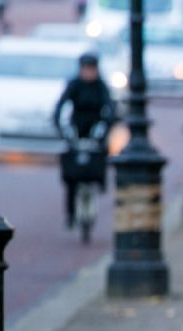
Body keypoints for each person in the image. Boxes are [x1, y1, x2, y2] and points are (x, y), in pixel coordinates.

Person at [53, 53, 115, 229]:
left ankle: (101, 182)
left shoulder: (101, 86)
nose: (88, 72)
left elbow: (110, 107)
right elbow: (60, 105)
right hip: (77, 129)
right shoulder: (74, 85)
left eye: (91, 68)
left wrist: (105, 127)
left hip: (95, 129)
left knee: (101, 156)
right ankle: (71, 214)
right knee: (72, 171)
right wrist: (62, 128)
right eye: (85, 68)